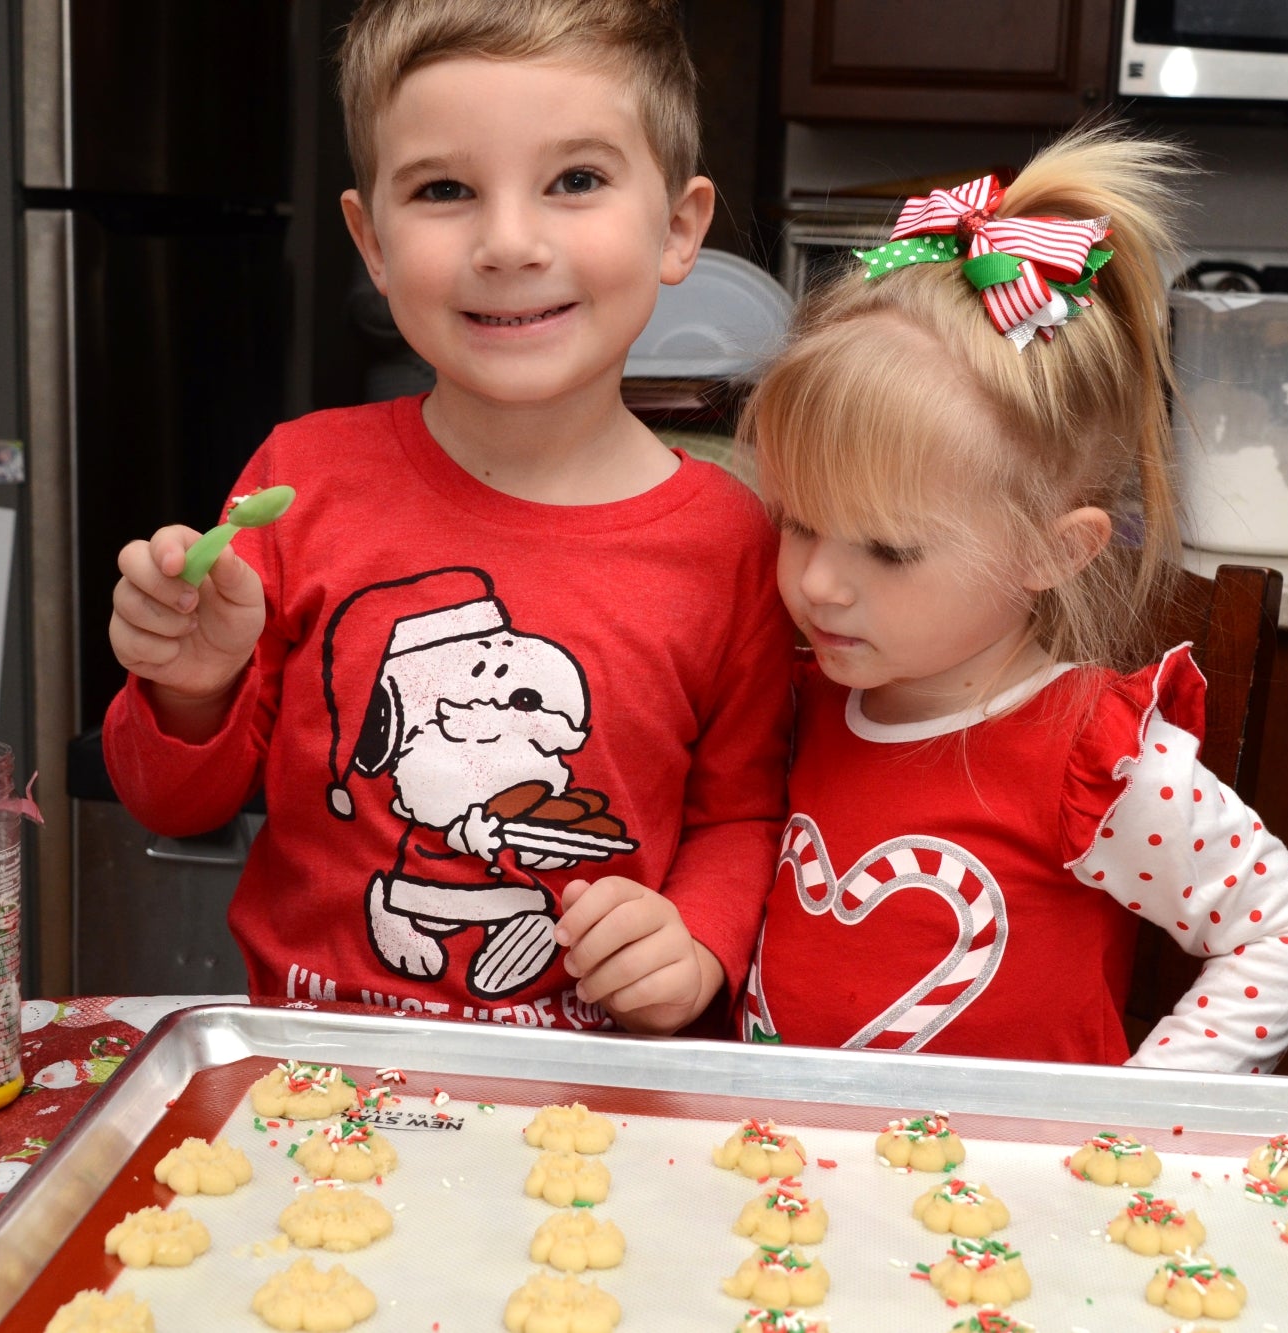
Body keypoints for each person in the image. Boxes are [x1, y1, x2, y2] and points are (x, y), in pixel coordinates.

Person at [103, 0, 792, 1037]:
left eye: (575, 181)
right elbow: (173, 801)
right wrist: (188, 685)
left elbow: (739, 813)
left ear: (679, 227)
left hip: (599, 1109)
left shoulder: (735, 540)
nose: (508, 242)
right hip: (314, 1086)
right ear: (371, 241)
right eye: (443, 190)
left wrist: (692, 945)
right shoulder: (299, 482)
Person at [736, 125, 1288, 1072]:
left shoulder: (1087, 758)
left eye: (890, 550)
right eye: (798, 521)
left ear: (1053, 553)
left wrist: (1134, 1117)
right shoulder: (799, 699)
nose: (816, 581)